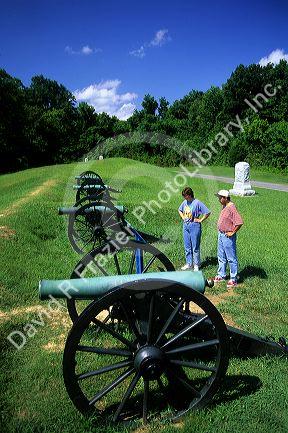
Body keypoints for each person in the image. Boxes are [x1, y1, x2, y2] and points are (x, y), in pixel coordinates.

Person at [214, 189, 243, 288]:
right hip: (221, 234)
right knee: (221, 255)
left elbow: (239, 222)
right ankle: (221, 275)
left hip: (227, 236)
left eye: (220, 198)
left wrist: (232, 232)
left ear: (225, 198)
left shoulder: (231, 207)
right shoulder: (224, 206)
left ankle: (233, 279)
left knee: (231, 257)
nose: (219, 199)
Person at [178, 187, 211, 271]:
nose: (184, 198)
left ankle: (196, 264)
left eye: (185, 196)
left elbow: (207, 212)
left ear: (189, 195)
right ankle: (189, 263)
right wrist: (183, 218)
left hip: (195, 226)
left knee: (195, 246)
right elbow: (180, 210)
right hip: (186, 226)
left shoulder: (197, 203)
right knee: (187, 246)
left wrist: (200, 220)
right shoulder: (185, 202)